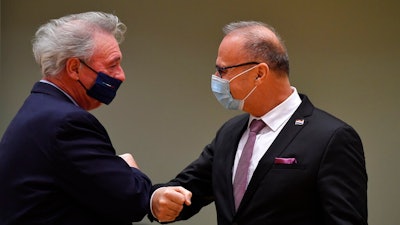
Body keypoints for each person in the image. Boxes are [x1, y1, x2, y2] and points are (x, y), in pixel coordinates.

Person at [149, 21, 368, 225]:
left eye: (223, 70)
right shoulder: (231, 132)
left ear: (259, 73)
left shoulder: (331, 137)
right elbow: (186, 190)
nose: (216, 78)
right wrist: (157, 197)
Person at [0, 12, 151, 225]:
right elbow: (132, 200)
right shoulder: (67, 124)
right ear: (74, 68)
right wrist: (131, 170)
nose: (121, 75)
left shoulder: (39, 109)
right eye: (112, 65)